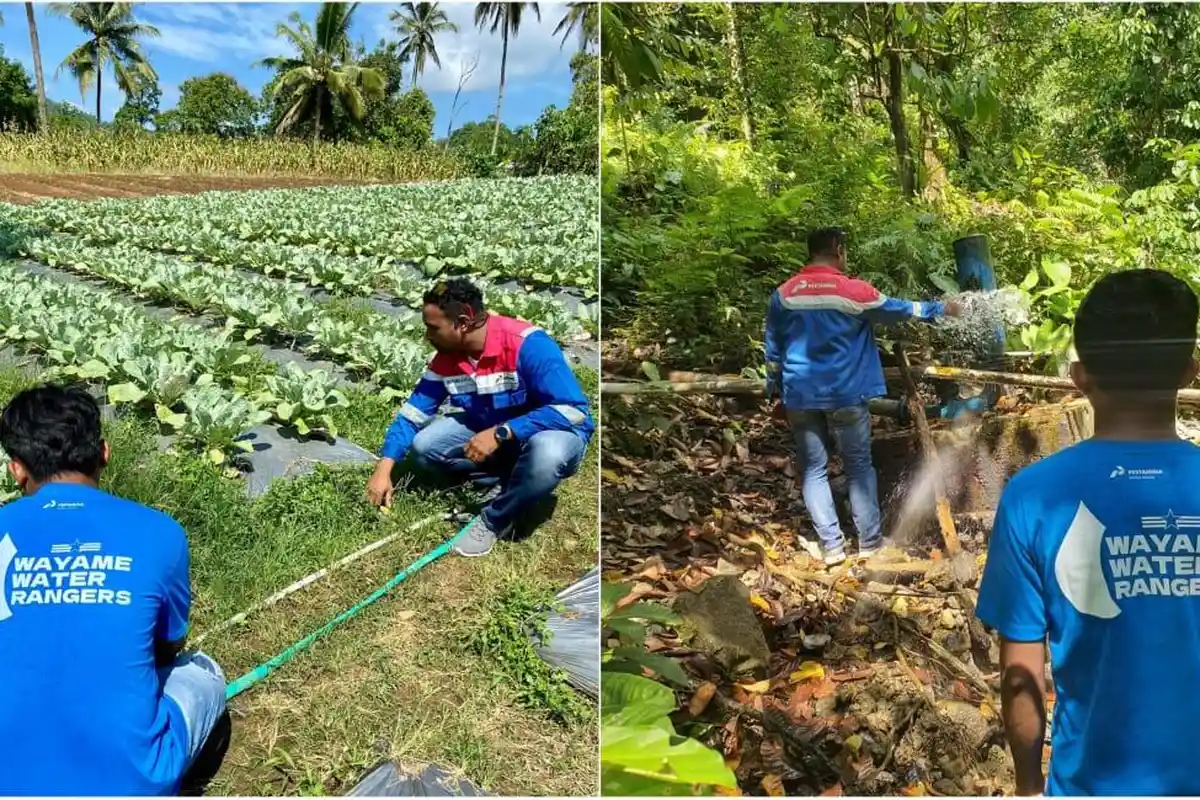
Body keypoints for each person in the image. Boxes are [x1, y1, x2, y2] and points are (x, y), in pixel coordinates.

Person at [977, 269, 1200, 796]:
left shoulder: (1033, 497)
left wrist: (1029, 786)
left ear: (1079, 377)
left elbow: (1021, 676)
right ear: (1190, 373)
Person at [0, 384, 230, 795]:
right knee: (203, 671)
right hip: (128, 784)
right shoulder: (159, 532)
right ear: (104, 452)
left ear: (16, 467)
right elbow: (168, 646)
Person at [765, 226, 960, 566]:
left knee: (813, 469)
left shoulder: (784, 294)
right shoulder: (853, 291)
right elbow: (901, 309)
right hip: (846, 393)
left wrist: (774, 391)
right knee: (858, 467)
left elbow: (773, 353)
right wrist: (942, 309)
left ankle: (832, 548)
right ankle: (869, 544)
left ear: (810, 253)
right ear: (838, 250)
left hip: (800, 395)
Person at [366, 278, 593, 558]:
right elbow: (413, 415)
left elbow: (573, 410)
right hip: (491, 429)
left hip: (550, 431)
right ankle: (506, 482)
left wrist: (503, 431)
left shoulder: (528, 345)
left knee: (548, 455)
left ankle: (494, 520)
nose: (427, 335)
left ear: (462, 323)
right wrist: (384, 467)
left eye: (433, 327)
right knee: (425, 446)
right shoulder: (447, 359)